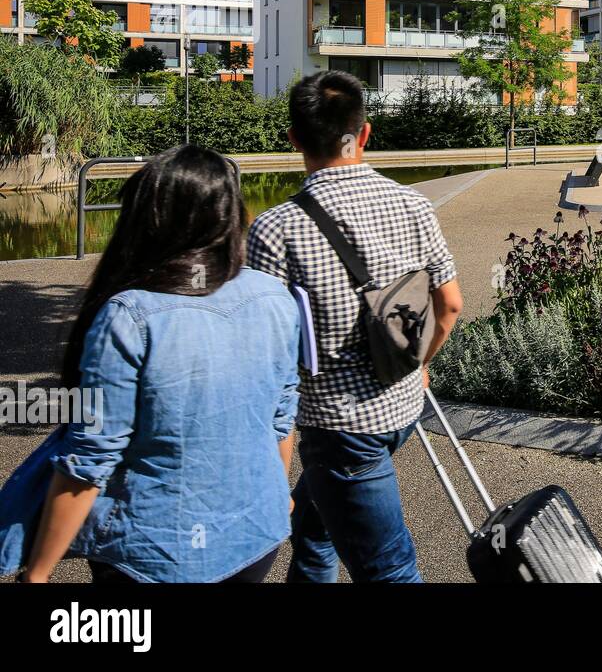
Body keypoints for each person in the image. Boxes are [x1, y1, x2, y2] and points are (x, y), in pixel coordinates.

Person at [22, 145, 300, 583]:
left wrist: (36, 572)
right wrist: (276, 493)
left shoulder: (130, 315)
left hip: (153, 548)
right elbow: (280, 419)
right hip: (255, 534)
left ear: (148, 220)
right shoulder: (273, 296)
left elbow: (92, 457)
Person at [248, 70, 462, 583]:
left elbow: (263, 351)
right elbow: (450, 304)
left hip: (339, 425)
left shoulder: (274, 229)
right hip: (405, 405)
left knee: (389, 570)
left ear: (294, 139)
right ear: (364, 134)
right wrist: (420, 364)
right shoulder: (414, 204)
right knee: (317, 526)